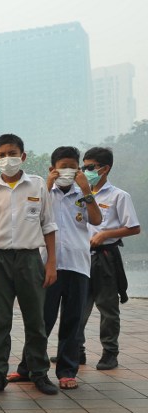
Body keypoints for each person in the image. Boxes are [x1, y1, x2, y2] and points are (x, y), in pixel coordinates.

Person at [10, 147, 101, 389]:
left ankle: (67, 372)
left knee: (72, 321)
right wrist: (47, 187)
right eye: (63, 167)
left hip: (78, 264)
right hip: (47, 265)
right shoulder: (42, 192)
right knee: (40, 320)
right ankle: (27, 367)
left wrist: (86, 190)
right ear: (53, 169)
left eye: (73, 167)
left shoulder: (83, 194)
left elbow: (96, 219)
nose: (68, 171)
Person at [0, 133, 59, 397]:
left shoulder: (36, 186)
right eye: (1, 155)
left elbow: (48, 225)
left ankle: (39, 373)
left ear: (22, 156)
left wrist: (51, 263)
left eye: (12, 153)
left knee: (35, 319)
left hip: (29, 258)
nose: (7, 159)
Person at [77, 147, 140, 370]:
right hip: (82, 257)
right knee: (77, 306)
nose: (86, 171)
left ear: (105, 169)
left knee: (107, 308)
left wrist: (105, 234)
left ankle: (109, 352)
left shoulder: (119, 196)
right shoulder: (81, 194)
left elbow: (133, 227)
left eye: (91, 167)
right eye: (84, 166)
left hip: (105, 256)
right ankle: (77, 350)